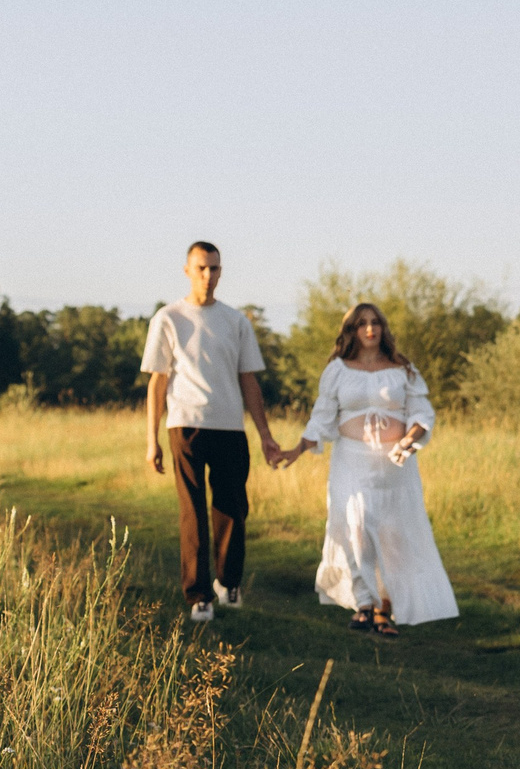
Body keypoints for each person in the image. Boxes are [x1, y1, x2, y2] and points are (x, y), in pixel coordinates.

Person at [278, 301, 459, 636]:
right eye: (362, 324)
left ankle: (385, 609)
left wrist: (410, 440)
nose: (370, 329)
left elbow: (422, 412)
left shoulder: (402, 368)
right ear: (352, 331)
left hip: (395, 463)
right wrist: (299, 447)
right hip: (352, 460)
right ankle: (364, 603)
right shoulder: (338, 369)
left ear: (383, 328)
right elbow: (322, 416)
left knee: (393, 533)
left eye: (375, 322)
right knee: (355, 526)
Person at [141, 241, 286, 623]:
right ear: (187, 270)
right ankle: (199, 595)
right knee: (193, 511)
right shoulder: (168, 318)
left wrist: (265, 435)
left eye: (215, 269)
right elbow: (157, 383)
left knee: (233, 508)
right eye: (202, 268)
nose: (208, 276)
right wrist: (151, 440)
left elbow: (249, 381)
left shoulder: (236, 321)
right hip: (186, 425)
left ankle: (227, 581)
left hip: (229, 426)